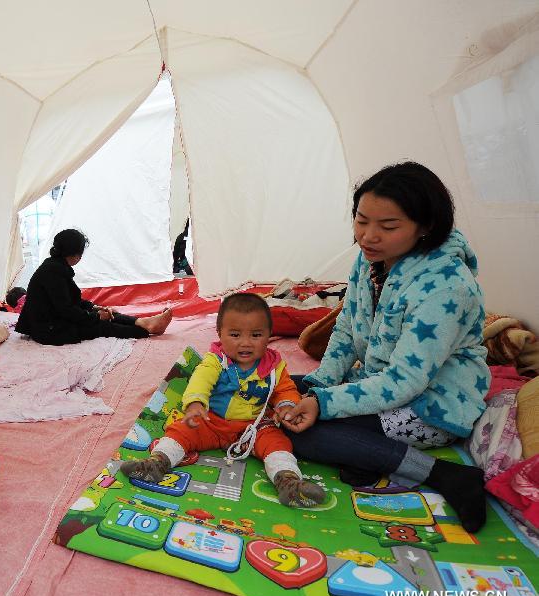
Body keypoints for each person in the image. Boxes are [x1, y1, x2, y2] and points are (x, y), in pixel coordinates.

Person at [280, 161, 490, 533]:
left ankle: (446, 476)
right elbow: (346, 326)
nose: (368, 236)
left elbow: (406, 382)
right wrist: (320, 384)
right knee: (277, 392)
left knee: (306, 431)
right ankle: (367, 454)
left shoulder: (447, 288)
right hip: (378, 383)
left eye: (388, 226)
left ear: (425, 226)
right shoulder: (371, 260)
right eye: (361, 221)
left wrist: (325, 404)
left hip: (432, 403)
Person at [121, 293, 325, 507]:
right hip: (212, 422)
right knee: (182, 429)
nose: (245, 343)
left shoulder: (275, 367)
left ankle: (288, 482)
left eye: (256, 335)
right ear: (220, 334)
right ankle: (157, 462)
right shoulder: (216, 361)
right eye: (235, 335)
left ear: (269, 335)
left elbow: (285, 389)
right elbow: (201, 380)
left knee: (278, 443)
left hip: (254, 428)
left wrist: (286, 406)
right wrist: (196, 403)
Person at [14, 229, 172, 345]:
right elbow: (67, 310)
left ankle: (145, 322)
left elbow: (69, 301)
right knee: (101, 326)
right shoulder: (53, 272)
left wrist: (95, 307)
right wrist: (96, 316)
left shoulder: (55, 267)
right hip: (49, 330)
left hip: (54, 321)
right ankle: (146, 329)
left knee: (108, 314)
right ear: (76, 254)